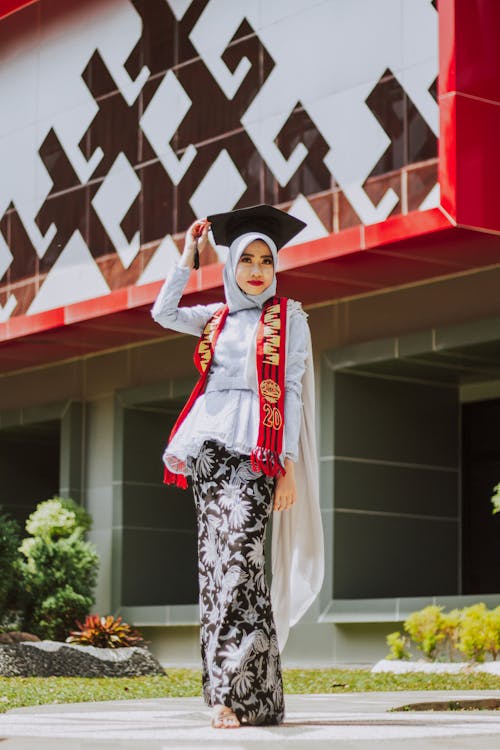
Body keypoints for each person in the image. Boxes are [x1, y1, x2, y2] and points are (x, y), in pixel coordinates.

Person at [151, 204, 324, 729]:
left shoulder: (288, 317)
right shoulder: (216, 317)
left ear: (275, 268)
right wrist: (186, 258)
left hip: (259, 450)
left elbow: (290, 390)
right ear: (229, 265)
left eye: (265, 261)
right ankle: (248, 696)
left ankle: (237, 691)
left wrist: (287, 464)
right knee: (216, 568)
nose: (255, 270)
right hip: (209, 447)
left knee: (240, 561)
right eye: (245, 259)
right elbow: (162, 312)